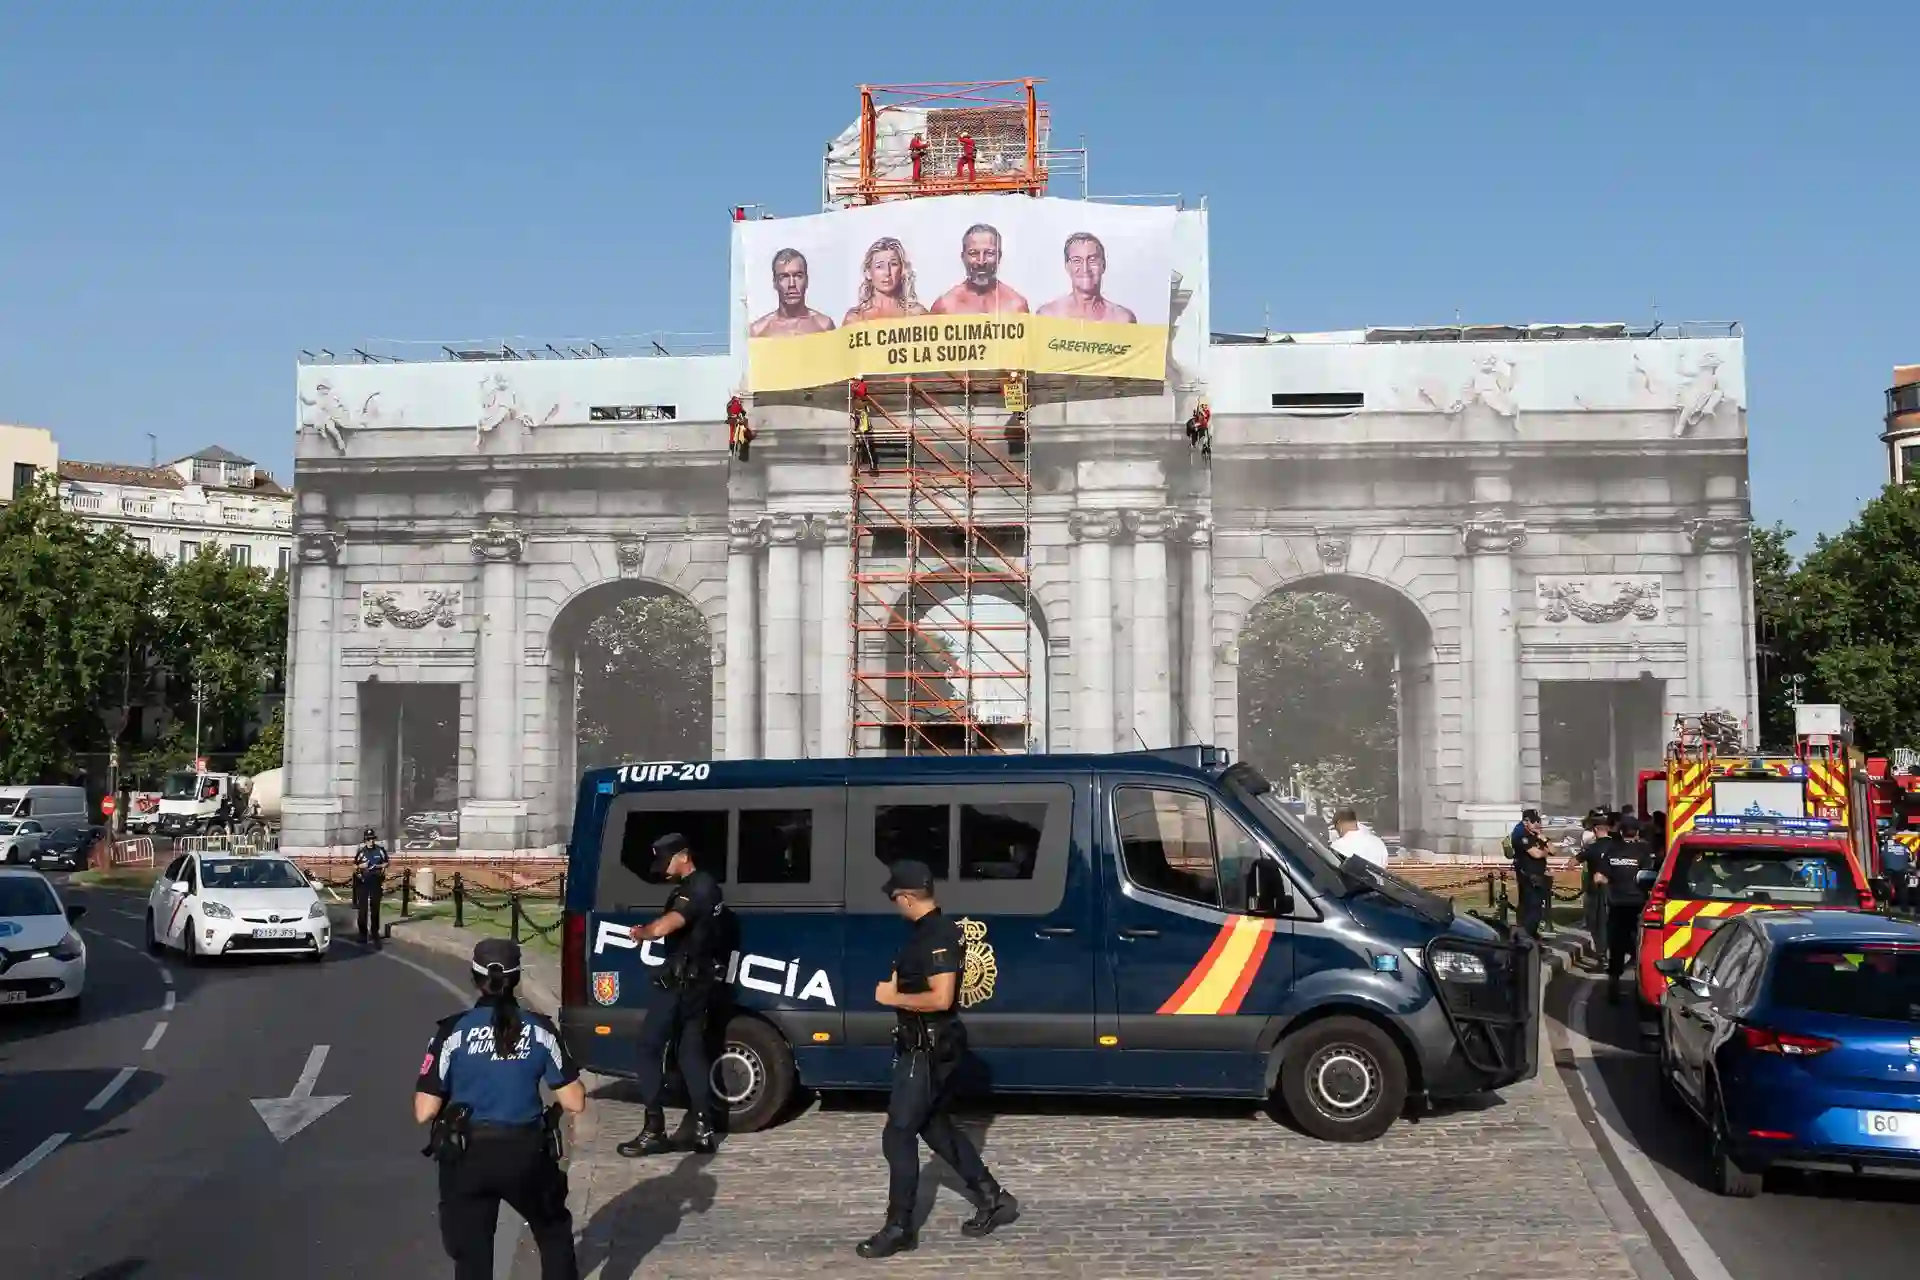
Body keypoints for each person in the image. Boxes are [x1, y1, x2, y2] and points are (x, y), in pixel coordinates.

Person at [857, 859, 1019, 1259]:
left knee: (898, 1132)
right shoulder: (925, 933)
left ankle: (899, 1227)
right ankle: (991, 1196)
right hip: (924, 1043)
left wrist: (892, 997)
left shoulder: (937, 935)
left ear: (908, 896)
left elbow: (942, 998)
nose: (896, 904)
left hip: (928, 1048)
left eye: (896, 897)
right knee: (932, 1126)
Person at [417, 938, 584, 1280]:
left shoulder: (451, 1032)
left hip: (468, 1156)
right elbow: (574, 1101)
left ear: (475, 978)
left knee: (472, 1256)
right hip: (526, 1153)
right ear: (517, 978)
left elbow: (424, 1110)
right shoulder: (540, 1029)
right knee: (552, 1231)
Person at [617, 833, 727, 1159]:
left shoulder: (697, 888)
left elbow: (668, 926)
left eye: (666, 862)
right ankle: (703, 1129)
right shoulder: (707, 886)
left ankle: (654, 1130)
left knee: (648, 1048)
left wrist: (642, 932)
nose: (662, 870)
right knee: (690, 1051)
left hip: (681, 983)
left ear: (682, 856)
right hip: (699, 983)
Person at [1586, 816, 1653, 1002]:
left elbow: (1598, 877)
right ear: (1637, 832)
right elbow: (1650, 876)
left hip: (1616, 905)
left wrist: (1614, 881)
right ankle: (1642, 987)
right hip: (1638, 906)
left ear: (1621, 832)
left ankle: (1613, 987)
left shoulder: (1612, 850)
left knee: (1616, 946)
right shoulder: (1644, 851)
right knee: (1640, 945)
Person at [928, 224, 1030, 316]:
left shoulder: (1015, 305)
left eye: (989, 253)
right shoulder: (946, 307)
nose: (981, 261)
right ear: (963, 256)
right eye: (973, 253)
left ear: (999, 256)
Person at [1036, 232, 1138, 323]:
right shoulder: (1048, 316)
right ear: (1067, 266)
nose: (1085, 268)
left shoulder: (1122, 320)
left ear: (1103, 265)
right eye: (1077, 260)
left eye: (1092, 260)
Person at [749, 249, 836, 337]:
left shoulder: (824, 326)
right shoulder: (758, 331)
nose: (792, 284)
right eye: (784, 277)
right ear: (775, 282)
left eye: (798, 276)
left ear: (806, 280)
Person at [843, 238, 926, 325]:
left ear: (902, 270)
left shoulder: (916, 314)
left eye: (893, 264)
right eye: (879, 266)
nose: (887, 272)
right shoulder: (855, 318)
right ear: (868, 273)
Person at [1509, 809, 1551, 939]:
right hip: (1528, 875)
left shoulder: (1532, 833)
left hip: (1536, 873)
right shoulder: (1520, 833)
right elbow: (1536, 854)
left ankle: (1529, 933)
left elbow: (1553, 850)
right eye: (1534, 822)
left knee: (1533, 906)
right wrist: (1545, 851)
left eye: (1538, 821)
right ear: (1525, 821)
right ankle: (1526, 936)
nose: (1537, 824)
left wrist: (1544, 840)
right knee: (1532, 906)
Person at [353, 828, 390, 947]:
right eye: (368, 839)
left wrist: (377, 866)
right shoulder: (361, 851)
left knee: (375, 908)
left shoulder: (380, 850)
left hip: (375, 881)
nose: (371, 841)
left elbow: (386, 863)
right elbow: (354, 865)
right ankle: (363, 934)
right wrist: (361, 866)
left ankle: (375, 932)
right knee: (362, 910)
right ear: (365, 840)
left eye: (372, 839)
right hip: (363, 882)